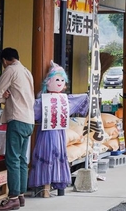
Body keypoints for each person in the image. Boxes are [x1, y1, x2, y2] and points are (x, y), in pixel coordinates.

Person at [28, 62, 87, 197]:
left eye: (62, 80)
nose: (60, 82)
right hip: (46, 132)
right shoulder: (43, 100)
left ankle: (56, 185)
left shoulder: (65, 99)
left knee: (58, 155)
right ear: (48, 82)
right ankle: (45, 187)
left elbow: (81, 99)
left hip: (58, 132)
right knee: (47, 154)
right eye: (57, 79)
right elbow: (32, 109)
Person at [0, 48, 35, 211]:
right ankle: (21, 195)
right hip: (29, 120)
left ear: (4, 60)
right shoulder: (26, 71)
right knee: (22, 159)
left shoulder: (10, 70)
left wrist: (4, 98)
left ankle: (13, 197)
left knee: (12, 159)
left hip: (16, 118)